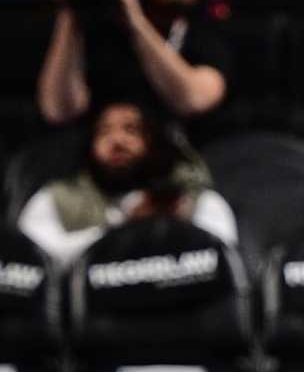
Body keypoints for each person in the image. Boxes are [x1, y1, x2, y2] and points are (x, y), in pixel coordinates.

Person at [35, 0, 234, 142]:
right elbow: (58, 110)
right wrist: (71, 9)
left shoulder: (205, 34)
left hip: (183, 157)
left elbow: (193, 99)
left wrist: (136, 21)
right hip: (98, 160)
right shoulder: (97, 30)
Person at [16, 97, 235, 269]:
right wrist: (125, 226)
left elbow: (224, 256)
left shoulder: (192, 197)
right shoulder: (57, 198)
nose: (117, 141)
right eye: (104, 131)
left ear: (152, 142)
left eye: (131, 129)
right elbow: (34, 261)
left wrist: (175, 225)